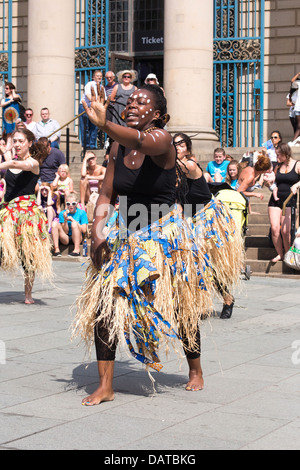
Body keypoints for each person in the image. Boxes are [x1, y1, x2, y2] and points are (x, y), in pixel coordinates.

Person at [72, 84, 223, 406]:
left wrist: (103, 123)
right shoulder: (116, 146)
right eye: (130, 100)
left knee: (183, 307)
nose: (133, 104)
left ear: (157, 114)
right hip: (125, 235)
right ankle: (106, 384)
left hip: (163, 234)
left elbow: (140, 140)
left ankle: (194, 369)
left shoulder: (162, 140)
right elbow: (107, 192)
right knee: (105, 307)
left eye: (142, 102)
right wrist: (98, 231)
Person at [174, 133, 243, 320]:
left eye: (181, 144)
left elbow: (173, 168)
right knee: (191, 262)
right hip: (190, 218)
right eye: (174, 144)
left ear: (188, 148)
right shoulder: (174, 168)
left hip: (208, 216)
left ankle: (225, 299)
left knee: (205, 262)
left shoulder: (188, 164)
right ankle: (197, 302)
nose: (177, 147)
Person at [0, 129, 52, 304]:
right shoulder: (11, 161)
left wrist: (4, 164)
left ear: (29, 143)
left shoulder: (34, 163)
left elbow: (15, 166)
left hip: (27, 214)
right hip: (9, 211)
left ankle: (28, 294)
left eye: (21, 141)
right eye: (14, 141)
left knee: (27, 255)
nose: (17, 144)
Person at [267, 142, 300, 263]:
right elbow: (273, 182)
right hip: (276, 199)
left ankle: (288, 254)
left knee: (285, 231)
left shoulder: (297, 164)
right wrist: (270, 184)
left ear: (286, 153)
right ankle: (280, 253)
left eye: (279, 155)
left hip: (289, 200)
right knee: (275, 228)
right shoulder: (277, 166)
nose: (277, 158)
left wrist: (297, 184)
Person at [51, 192, 88, 257]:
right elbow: (65, 231)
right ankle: (56, 249)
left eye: (73, 203)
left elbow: (84, 230)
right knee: (54, 224)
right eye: (68, 204)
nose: (71, 206)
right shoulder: (63, 213)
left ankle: (76, 250)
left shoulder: (82, 213)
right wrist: (65, 220)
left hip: (77, 237)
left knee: (74, 224)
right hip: (66, 238)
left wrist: (73, 221)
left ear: (76, 204)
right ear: (66, 204)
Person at [78, 70, 104, 149]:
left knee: (94, 127)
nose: (99, 77)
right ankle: (86, 145)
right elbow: (88, 95)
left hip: (95, 108)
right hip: (85, 107)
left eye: (100, 76)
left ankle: (92, 145)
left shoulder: (101, 87)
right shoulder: (90, 84)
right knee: (85, 127)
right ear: (93, 77)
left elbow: (103, 98)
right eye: (97, 75)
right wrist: (96, 102)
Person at [0, 82, 22, 149]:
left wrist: (13, 92)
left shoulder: (17, 96)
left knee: (15, 134)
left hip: (15, 119)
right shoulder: (4, 98)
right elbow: (2, 104)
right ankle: (8, 149)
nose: (5, 90)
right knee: (9, 135)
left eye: (7, 88)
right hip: (7, 120)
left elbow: (16, 97)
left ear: (11, 89)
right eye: (5, 88)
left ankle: (14, 151)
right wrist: (10, 101)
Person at [290, 72, 300, 141]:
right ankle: (296, 141)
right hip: (298, 108)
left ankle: (294, 140)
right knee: (297, 126)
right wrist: (298, 74)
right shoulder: (299, 83)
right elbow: (292, 81)